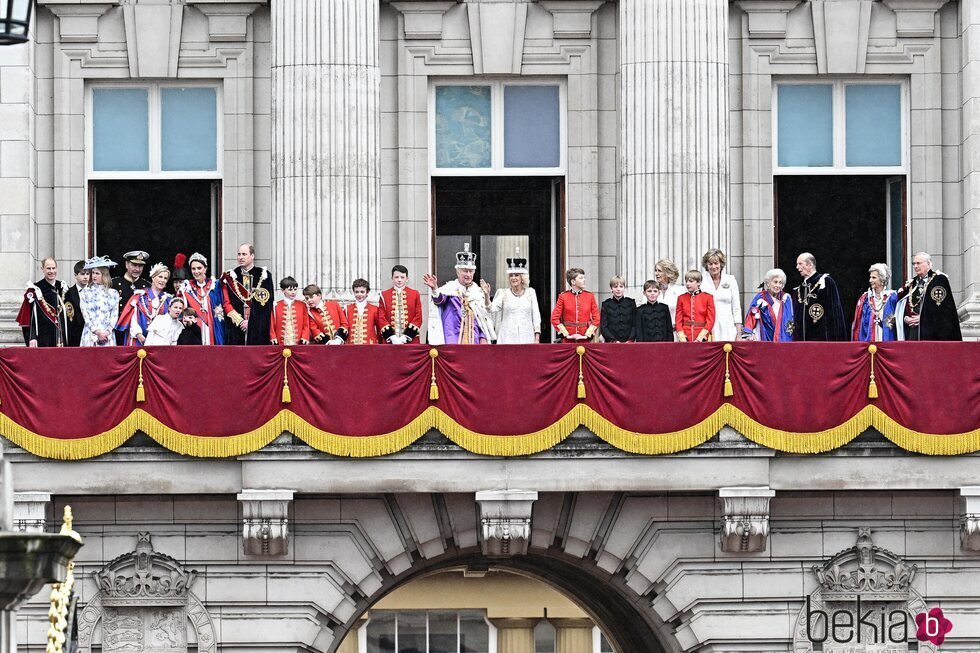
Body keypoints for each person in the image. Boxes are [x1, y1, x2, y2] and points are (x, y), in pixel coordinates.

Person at [423, 243, 496, 345]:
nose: (468, 274)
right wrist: (435, 288)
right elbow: (439, 301)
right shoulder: (449, 288)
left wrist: (483, 337)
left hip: (473, 340)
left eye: (471, 271)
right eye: (465, 271)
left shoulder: (478, 292)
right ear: (457, 272)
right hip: (452, 338)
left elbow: (482, 319)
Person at [894, 252, 962, 341]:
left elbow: (943, 309)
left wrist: (923, 318)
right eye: (914, 263)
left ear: (929, 264)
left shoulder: (939, 280)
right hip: (913, 331)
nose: (915, 266)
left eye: (918, 263)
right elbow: (903, 305)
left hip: (932, 332)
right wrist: (906, 318)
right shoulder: (912, 284)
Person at [221, 243, 275, 345]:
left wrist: (250, 323)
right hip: (236, 328)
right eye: (239, 254)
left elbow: (267, 304)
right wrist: (240, 321)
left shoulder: (264, 275)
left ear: (252, 256)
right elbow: (226, 303)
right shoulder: (231, 276)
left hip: (258, 327)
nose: (240, 257)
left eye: (244, 254)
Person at [485, 248, 541, 344]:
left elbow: (536, 315)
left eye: (516, 275)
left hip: (526, 336)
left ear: (522, 278)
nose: (513, 278)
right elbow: (491, 309)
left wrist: (537, 337)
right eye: (511, 275)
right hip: (507, 337)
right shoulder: (503, 293)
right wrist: (486, 296)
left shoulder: (530, 293)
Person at [791, 252, 847, 341]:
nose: (797, 267)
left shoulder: (826, 282)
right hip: (802, 343)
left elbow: (834, 313)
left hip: (822, 340)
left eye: (800, 264)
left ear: (810, 265)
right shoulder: (799, 289)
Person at [16, 257, 68, 347]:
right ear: (42, 269)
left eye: (53, 268)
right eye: (48, 268)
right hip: (43, 337)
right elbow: (29, 316)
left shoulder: (63, 287)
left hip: (62, 338)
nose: (51, 271)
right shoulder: (35, 290)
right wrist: (32, 337)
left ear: (57, 268)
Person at [119, 263, 172, 346]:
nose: (162, 280)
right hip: (139, 340)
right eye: (160, 276)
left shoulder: (168, 300)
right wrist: (139, 335)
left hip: (159, 342)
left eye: (165, 278)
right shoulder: (139, 296)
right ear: (153, 277)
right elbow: (132, 318)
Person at [177, 252, 225, 346]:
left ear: (205, 269)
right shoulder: (186, 288)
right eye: (193, 268)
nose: (196, 271)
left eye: (199, 268)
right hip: (195, 332)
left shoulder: (215, 285)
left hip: (213, 328)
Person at [701, 248, 742, 341]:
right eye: (710, 264)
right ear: (706, 266)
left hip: (728, 326)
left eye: (716, 263)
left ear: (721, 264)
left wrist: (739, 333)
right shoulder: (701, 281)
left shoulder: (730, 280)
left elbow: (736, 308)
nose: (713, 266)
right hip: (707, 326)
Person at [742, 268, 794, 342]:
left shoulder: (786, 298)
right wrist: (749, 333)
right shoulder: (760, 298)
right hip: (765, 336)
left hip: (783, 339)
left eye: (780, 283)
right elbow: (751, 316)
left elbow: (790, 319)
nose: (778, 285)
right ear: (768, 283)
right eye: (775, 282)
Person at [79, 256, 120, 347]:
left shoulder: (113, 293)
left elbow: (114, 314)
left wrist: (107, 331)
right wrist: (96, 331)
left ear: (104, 275)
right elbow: (85, 314)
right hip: (90, 333)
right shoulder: (85, 292)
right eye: (93, 273)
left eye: (97, 273)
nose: (94, 276)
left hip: (107, 335)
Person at [111, 250, 150, 345]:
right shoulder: (114, 284)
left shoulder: (147, 286)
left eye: (140, 266)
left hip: (139, 334)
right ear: (126, 264)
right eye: (134, 265)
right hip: (119, 330)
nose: (137, 269)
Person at [551, 268, 600, 343]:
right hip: (568, 340)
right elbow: (554, 318)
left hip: (585, 339)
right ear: (573, 281)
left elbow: (597, 318)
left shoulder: (590, 296)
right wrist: (566, 334)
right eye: (581, 278)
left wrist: (588, 334)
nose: (584, 280)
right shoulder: (563, 296)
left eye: (584, 277)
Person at [852, 263, 898, 342]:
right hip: (868, 342)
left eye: (874, 278)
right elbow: (859, 324)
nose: (870, 280)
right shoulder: (865, 299)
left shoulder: (892, 298)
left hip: (887, 342)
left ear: (882, 279)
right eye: (870, 277)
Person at [379, 265, 423, 344]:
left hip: (411, 340)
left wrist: (406, 336)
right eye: (396, 277)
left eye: (402, 277)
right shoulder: (384, 295)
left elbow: (418, 317)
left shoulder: (415, 294)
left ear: (407, 279)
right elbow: (381, 318)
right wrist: (391, 337)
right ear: (392, 278)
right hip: (390, 341)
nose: (399, 280)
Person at [345, 279, 396, 344]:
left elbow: (379, 328)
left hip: (370, 346)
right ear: (353, 292)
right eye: (356, 292)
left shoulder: (374, 309)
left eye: (362, 292)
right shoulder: (347, 309)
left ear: (367, 292)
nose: (359, 294)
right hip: (351, 347)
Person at [675, 270, 715, 342]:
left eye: (690, 281)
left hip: (701, 336)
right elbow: (678, 321)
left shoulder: (708, 297)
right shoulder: (681, 298)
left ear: (699, 282)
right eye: (686, 281)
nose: (687, 284)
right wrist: (682, 337)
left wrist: (701, 338)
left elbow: (710, 321)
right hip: (686, 336)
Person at [269, 276, 311, 346]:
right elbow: (272, 323)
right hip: (280, 342)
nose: (293, 292)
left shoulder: (302, 305)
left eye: (295, 289)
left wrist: (305, 337)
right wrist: (273, 337)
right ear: (283, 290)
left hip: (299, 342)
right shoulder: (276, 305)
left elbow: (306, 323)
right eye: (290, 290)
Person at [600, 275, 635, 342]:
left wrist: (630, 340)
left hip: (629, 342)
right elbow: (603, 327)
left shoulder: (631, 303)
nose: (618, 289)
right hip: (611, 342)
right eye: (615, 287)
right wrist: (613, 340)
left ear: (624, 288)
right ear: (611, 288)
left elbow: (634, 325)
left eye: (621, 286)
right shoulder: (606, 304)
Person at [654, 258, 685, 327]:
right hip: (655, 333)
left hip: (675, 333)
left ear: (667, 273)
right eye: (655, 270)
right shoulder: (651, 290)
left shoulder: (680, 291)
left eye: (659, 271)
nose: (656, 273)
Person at [64, 261, 88, 347]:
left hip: (90, 334)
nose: (85, 277)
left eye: (87, 274)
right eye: (82, 274)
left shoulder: (93, 293)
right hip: (75, 335)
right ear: (75, 275)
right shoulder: (68, 293)